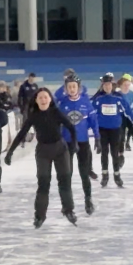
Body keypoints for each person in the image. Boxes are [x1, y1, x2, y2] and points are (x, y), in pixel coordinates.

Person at [5, 87, 79, 227]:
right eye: (40, 98)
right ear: (37, 101)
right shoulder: (34, 116)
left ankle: (68, 210)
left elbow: (71, 127)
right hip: (43, 152)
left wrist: (74, 144)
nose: (43, 100)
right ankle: (39, 215)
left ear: (50, 99)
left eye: (46, 97)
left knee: (64, 181)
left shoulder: (56, 112)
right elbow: (22, 133)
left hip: (60, 150)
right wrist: (10, 152)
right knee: (43, 184)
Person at [53, 76, 99, 209]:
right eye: (69, 87)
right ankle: (67, 202)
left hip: (83, 143)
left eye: (74, 86)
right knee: (67, 174)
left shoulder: (86, 102)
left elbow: (93, 121)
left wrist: (97, 138)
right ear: (66, 89)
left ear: (78, 87)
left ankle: (88, 199)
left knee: (84, 173)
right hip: (67, 144)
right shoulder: (62, 104)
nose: (72, 89)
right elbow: (57, 123)